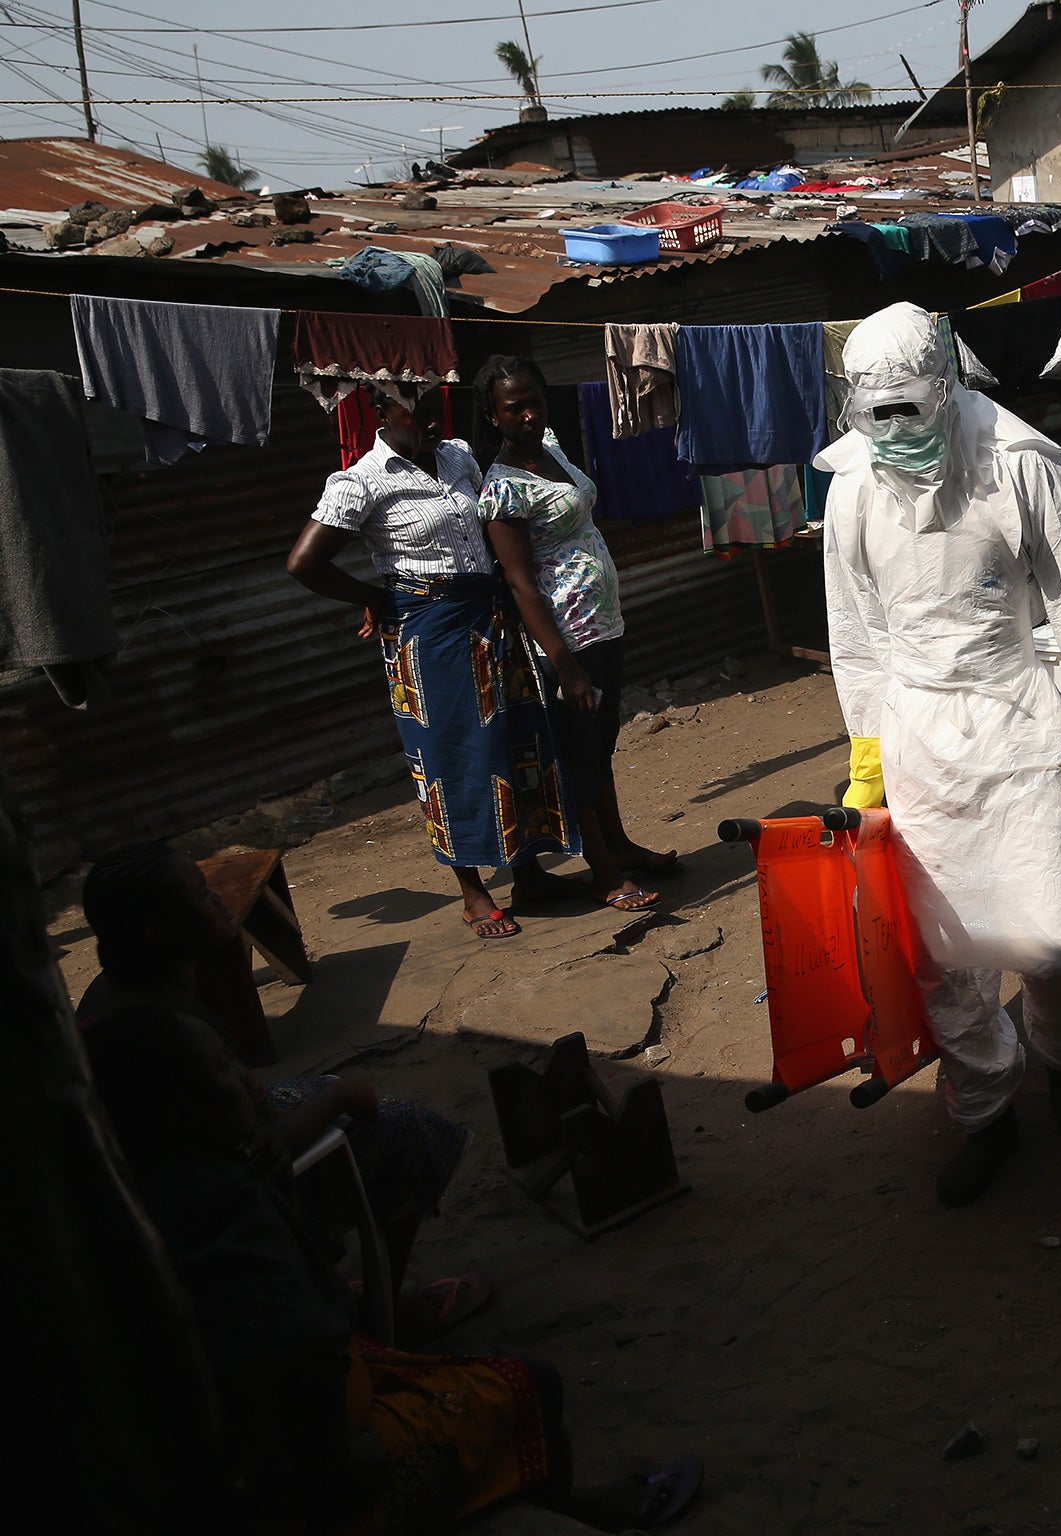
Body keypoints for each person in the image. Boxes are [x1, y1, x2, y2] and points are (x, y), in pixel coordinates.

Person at [83, 1001, 702, 1533]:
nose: (249, 1078)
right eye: (224, 1068)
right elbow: (291, 1353)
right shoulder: (225, 1213)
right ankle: (566, 1508)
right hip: (315, 1469)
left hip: (256, 1432)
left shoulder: (144, 1187)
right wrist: (343, 1455)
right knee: (530, 1384)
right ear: (176, 1110)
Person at [820, 303, 1061, 1206]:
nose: (892, 432)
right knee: (943, 952)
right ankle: (986, 1109)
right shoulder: (850, 491)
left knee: (1055, 930)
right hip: (919, 738)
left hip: (1021, 722)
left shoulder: (1023, 466)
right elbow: (859, 633)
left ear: (948, 389)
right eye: (873, 416)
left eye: (907, 411)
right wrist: (869, 754)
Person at [75, 841, 479, 1331]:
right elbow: (261, 1145)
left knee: (327, 1092)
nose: (220, 902)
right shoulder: (173, 1033)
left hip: (173, 1172)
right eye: (202, 896)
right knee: (405, 1131)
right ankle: (386, 1310)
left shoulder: (112, 993)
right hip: (214, 1202)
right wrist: (344, 1096)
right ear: (158, 931)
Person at [285, 387, 580, 940]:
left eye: (431, 410)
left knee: (513, 742)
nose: (427, 422)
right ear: (380, 414)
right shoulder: (362, 480)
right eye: (412, 413)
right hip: (428, 633)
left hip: (490, 620)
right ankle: (472, 892)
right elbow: (304, 563)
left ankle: (530, 873)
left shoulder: (458, 455)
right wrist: (369, 599)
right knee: (449, 754)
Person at [474, 355, 672, 913]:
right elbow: (519, 584)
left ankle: (621, 845)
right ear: (493, 417)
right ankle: (604, 873)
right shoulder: (503, 489)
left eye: (535, 401)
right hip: (568, 639)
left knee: (601, 744)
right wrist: (563, 663)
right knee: (579, 755)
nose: (530, 414)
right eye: (515, 409)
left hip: (604, 624)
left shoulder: (554, 450)